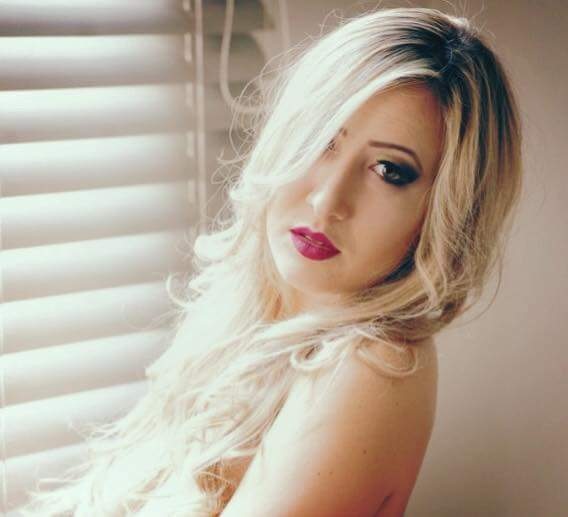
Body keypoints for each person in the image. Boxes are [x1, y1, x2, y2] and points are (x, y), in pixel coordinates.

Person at [20, 6, 523, 516]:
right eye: (322, 140)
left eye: (389, 171)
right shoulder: (246, 313)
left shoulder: (371, 365)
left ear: (443, 214)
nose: (327, 201)